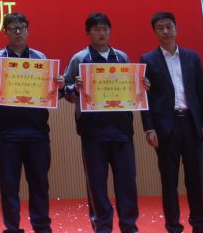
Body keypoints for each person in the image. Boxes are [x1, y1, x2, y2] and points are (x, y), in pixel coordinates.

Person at [0, 12, 64, 233]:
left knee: (40, 183)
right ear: (5, 32)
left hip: (37, 131)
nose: (17, 32)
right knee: (8, 185)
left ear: (28, 31)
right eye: (12, 28)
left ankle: (42, 226)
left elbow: (54, 94)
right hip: (7, 133)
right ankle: (12, 227)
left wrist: (59, 86)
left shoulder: (40, 58)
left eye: (21, 27)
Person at [63, 13, 147, 233]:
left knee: (127, 182)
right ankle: (102, 227)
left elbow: (132, 89)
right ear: (88, 33)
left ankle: (129, 226)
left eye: (105, 29)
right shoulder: (79, 59)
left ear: (110, 31)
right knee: (96, 184)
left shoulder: (121, 57)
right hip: (93, 132)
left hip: (122, 130)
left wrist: (141, 86)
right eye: (96, 29)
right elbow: (65, 91)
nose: (101, 33)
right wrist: (75, 89)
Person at [140, 11, 203, 233]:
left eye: (169, 26)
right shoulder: (148, 60)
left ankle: (200, 225)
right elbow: (145, 98)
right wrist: (149, 127)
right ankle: (173, 226)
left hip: (192, 124)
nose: (165, 31)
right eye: (160, 28)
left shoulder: (192, 57)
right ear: (155, 32)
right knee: (169, 181)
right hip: (166, 127)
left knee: (195, 179)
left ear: (176, 28)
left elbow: (202, 93)